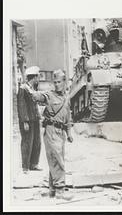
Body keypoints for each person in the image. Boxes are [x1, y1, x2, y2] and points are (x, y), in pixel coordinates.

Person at [30, 69, 73, 200]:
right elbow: (37, 96)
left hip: (61, 133)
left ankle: (53, 190)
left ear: (64, 82)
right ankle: (60, 191)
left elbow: (68, 117)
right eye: (55, 82)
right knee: (57, 159)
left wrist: (69, 132)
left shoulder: (66, 98)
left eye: (59, 82)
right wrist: (32, 87)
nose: (57, 84)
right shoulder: (49, 95)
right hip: (51, 130)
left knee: (55, 160)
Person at [17, 66, 42, 174]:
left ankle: (33, 164)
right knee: (27, 142)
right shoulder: (23, 89)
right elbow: (21, 106)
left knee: (37, 142)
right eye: (38, 76)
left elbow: (35, 104)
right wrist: (25, 121)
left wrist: (39, 116)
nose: (39, 78)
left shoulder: (33, 89)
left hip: (35, 119)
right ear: (34, 77)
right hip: (28, 120)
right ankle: (25, 166)